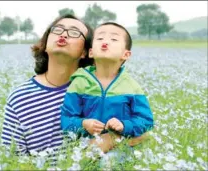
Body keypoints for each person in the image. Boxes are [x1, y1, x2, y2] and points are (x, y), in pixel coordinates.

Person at [1, 14, 94, 157]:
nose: (63, 34)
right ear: (45, 44)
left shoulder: (94, 92)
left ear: (85, 52)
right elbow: (11, 160)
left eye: (74, 32)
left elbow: (125, 136)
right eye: (57, 30)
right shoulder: (19, 98)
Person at [61, 22, 154, 152]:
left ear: (126, 55)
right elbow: (66, 119)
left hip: (121, 148)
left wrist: (124, 126)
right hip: (84, 150)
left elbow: (146, 121)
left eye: (114, 39)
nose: (105, 42)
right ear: (91, 52)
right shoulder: (79, 83)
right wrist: (83, 124)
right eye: (99, 38)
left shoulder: (132, 87)